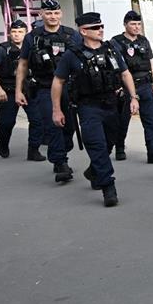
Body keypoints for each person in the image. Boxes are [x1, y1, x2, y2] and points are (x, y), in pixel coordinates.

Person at [52, 13, 139, 207]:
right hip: (88, 106)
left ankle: (94, 171)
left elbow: (125, 74)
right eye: (95, 27)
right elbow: (58, 82)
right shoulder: (71, 55)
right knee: (97, 145)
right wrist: (56, 110)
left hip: (112, 104)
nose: (100, 29)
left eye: (101, 26)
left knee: (109, 143)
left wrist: (133, 97)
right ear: (83, 31)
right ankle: (108, 187)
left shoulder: (111, 50)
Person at [15, 0, 80, 179]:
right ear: (41, 14)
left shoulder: (71, 35)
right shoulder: (32, 37)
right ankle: (60, 163)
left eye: (56, 13)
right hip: (44, 88)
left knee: (69, 128)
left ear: (61, 14)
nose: (53, 16)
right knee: (53, 126)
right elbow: (23, 64)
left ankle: (62, 152)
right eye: (49, 13)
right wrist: (18, 90)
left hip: (68, 88)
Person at [110, 10, 153, 164]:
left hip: (145, 84)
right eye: (133, 24)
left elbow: (151, 62)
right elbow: (114, 67)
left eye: (138, 24)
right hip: (126, 86)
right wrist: (118, 87)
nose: (136, 27)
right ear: (125, 24)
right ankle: (120, 147)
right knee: (123, 120)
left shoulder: (143, 40)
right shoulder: (116, 41)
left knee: (151, 120)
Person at [0, 19, 29, 158]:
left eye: (20, 32)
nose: (17, 35)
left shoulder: (32, 49)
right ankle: (3, 143)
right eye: (14, 32)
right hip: (8, 90)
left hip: (28, 90)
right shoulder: (2, 50)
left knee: (38, 119)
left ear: (26, 34)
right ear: (10, 34)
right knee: (6, 123)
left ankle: (34, 149)